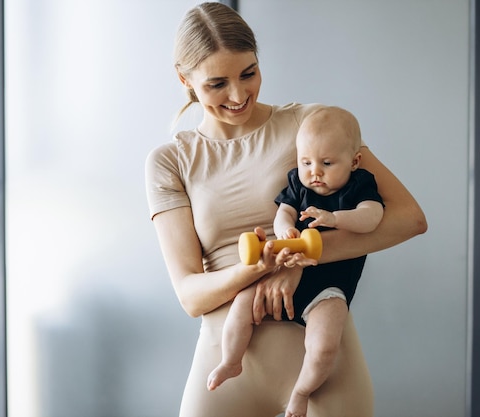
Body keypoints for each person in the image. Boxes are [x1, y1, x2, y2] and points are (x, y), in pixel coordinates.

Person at [145, 3, 427, 417]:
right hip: (226, 369)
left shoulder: (308, 124)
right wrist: (261, 267)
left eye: (249, 73)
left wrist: (303, 256)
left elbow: (408, 218)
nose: (239, 95)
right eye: (217, 83)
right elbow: (190, 295)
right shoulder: (171, 161)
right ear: (184, 79)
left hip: (326, 367)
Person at [206, 106, 384, 417]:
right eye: (306, 162)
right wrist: (283, 229)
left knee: (326, 345)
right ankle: (230, 361)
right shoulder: (298, 184)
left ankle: (301, 392)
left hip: (329, 287)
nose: (315, 171)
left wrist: (334, 218)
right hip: (284, 270)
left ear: (354, 161)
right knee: (242, 305)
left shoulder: (360, 185)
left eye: (327, 163)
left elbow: (373, 217)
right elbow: (284, 212)